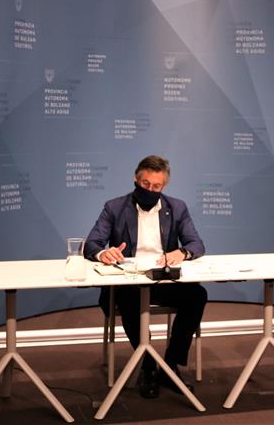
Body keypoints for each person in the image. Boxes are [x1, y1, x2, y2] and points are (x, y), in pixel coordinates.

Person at [84, 155, 206, 399]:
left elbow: (196, 244)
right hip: (127, 281)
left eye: (156, 186)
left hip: (161, 278)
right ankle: (148, 365)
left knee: (197, 296)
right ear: (136, 179)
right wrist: (103, 253)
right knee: (129, 300)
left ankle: (169, 365)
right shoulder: (114, 207)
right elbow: (92, 244)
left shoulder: (177, 207)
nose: (150, 190)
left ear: (164, 186)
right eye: (145, 184)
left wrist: (181, 252)